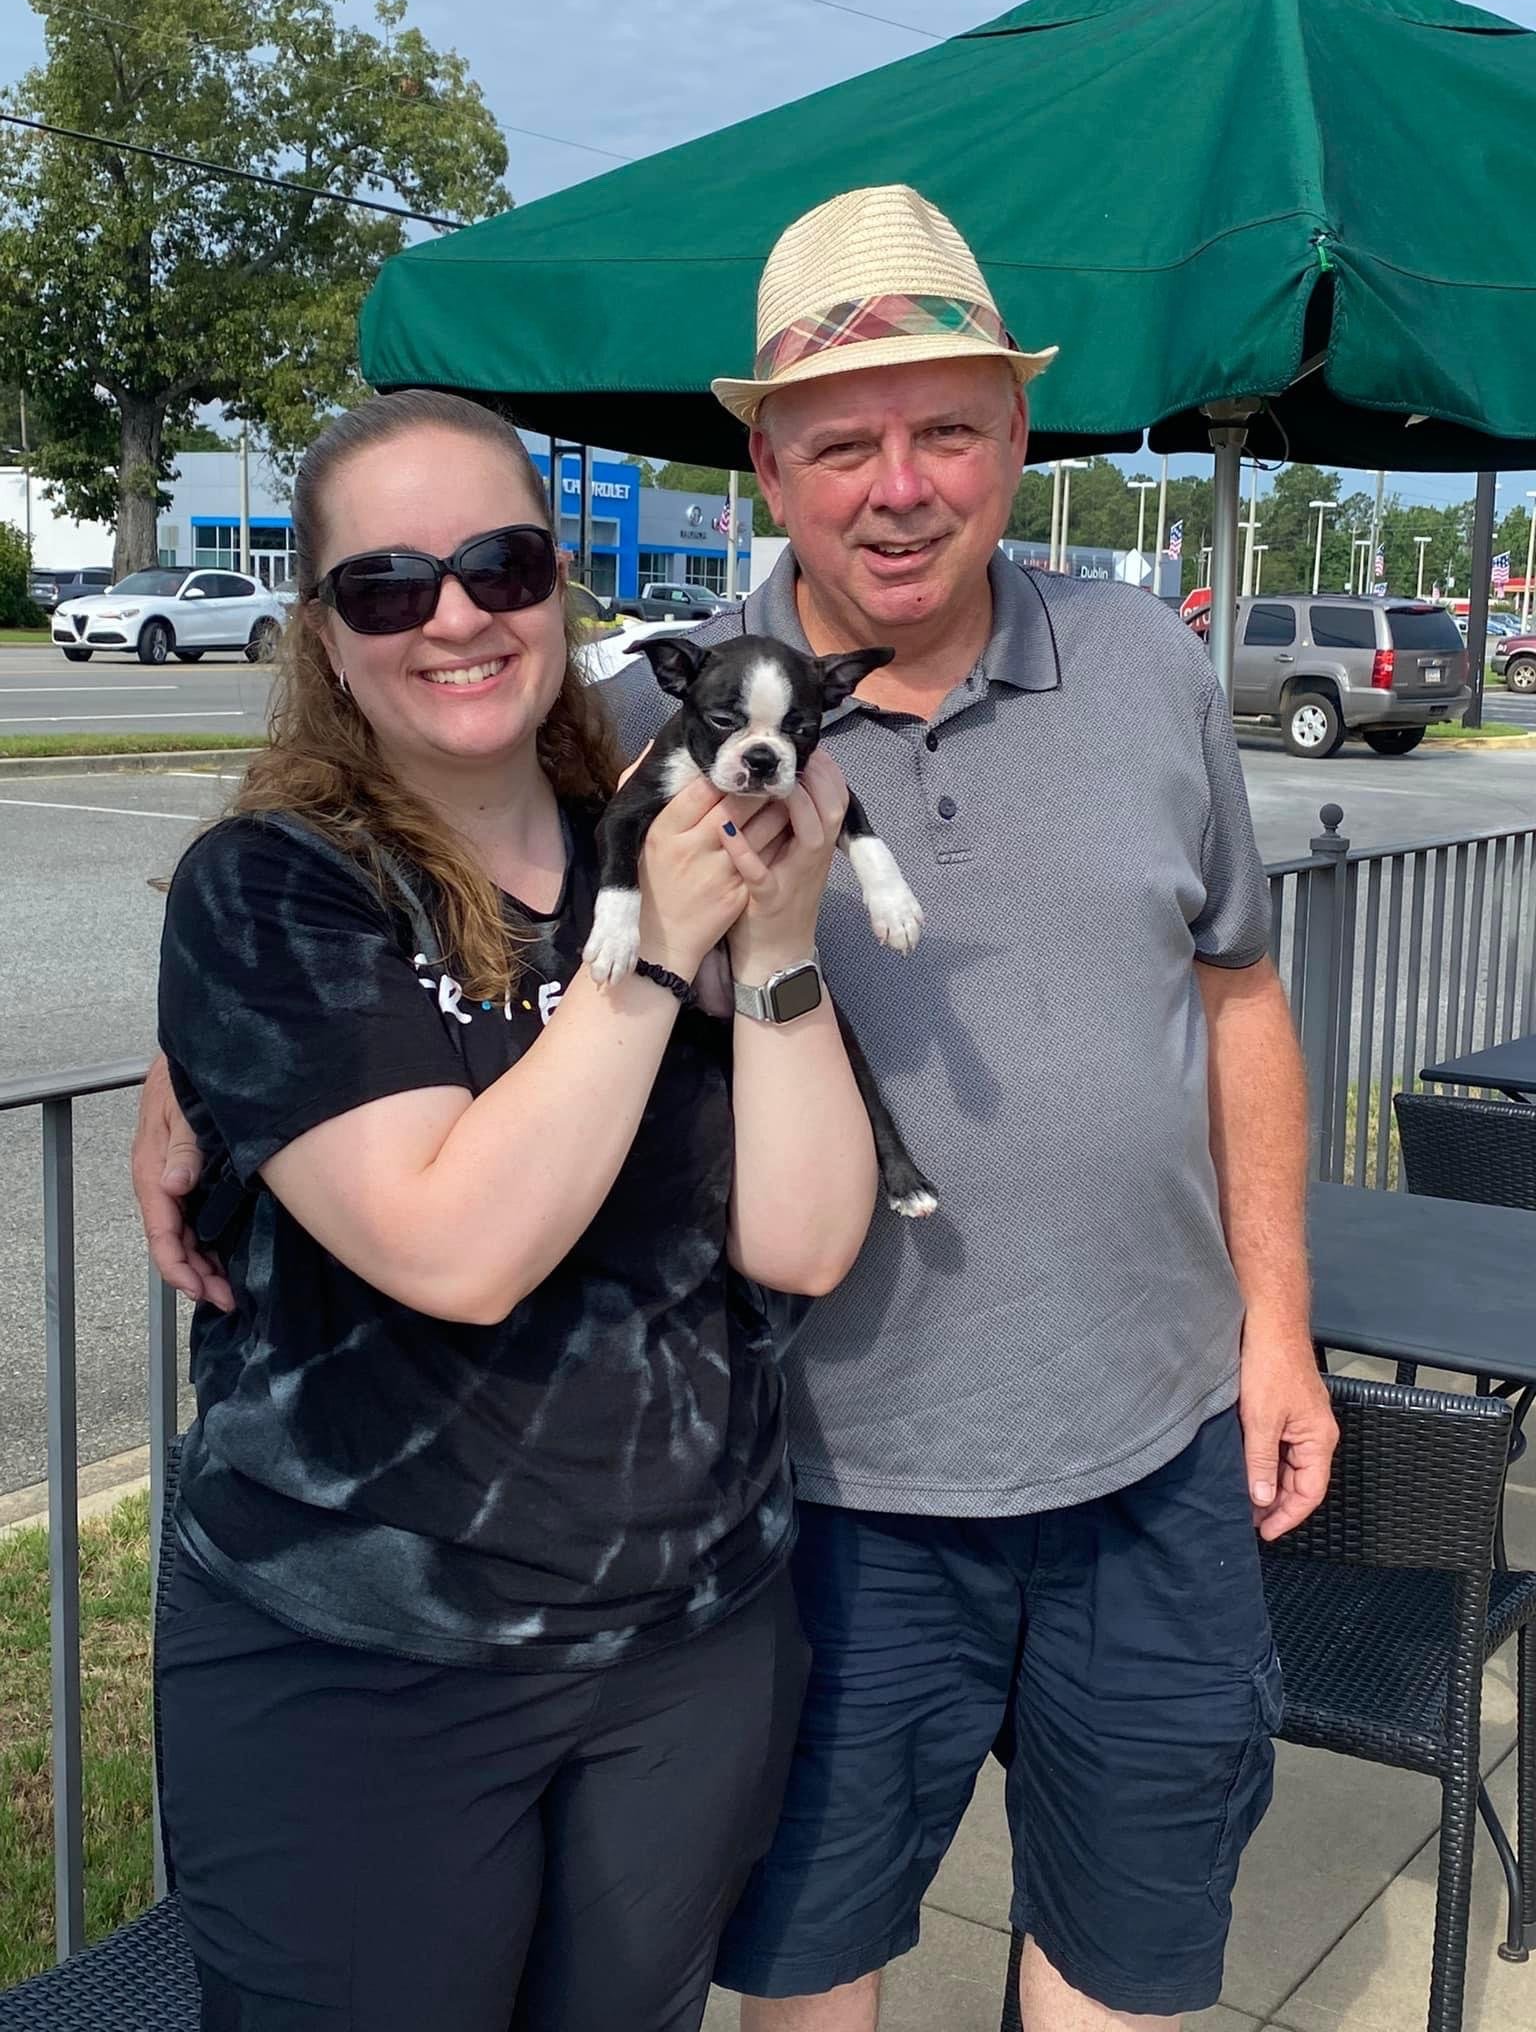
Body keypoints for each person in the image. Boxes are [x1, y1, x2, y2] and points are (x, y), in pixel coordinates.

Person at [137, 188, 1338, 2031]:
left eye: (949, 429)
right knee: (806, 1984)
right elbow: (391, 798)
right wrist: (190, 1063)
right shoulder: (642, 715)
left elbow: (1241, 995)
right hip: (830, 1499)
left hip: (1152, 1461)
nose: (901, 484)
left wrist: (1279, 1330)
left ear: (1021, 439)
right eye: (843, 443)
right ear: (769, 467)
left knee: (1134, 1960)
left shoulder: (1151, 668)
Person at [147, 385, 878, 2032]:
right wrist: (655, 958)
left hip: (688, 1639)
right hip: (366, 1662)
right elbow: (454, 1250)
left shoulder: (669, 828)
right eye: (390, 587)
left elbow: (806, 1238)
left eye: (503, 563)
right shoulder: (278, 887)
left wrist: (776, 942)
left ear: (564, 588)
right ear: (326, 637)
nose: (458, 616)